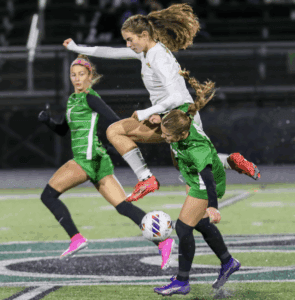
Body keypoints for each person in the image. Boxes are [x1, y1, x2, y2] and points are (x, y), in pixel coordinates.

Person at [63, 3, 260, 201]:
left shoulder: (158, 58)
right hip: (174, 116)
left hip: (178, 117)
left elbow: (175, 97)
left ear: (144, 35)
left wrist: (146, 112)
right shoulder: (147, 51)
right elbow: (111, 52)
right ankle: (231, 161)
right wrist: (76, 48)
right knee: (185, 162)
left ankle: (147, 178)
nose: (128, 45)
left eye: (130, 40)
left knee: (115, 131)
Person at [38, 54, 174, 267]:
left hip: (87, 159)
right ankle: (163, 242)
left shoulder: (91, 98)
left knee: (48, 196)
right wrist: (49, 122)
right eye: (73, 75)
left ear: (90, 76)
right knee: (123, 207)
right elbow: (64, 129)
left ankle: (76, 238)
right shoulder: (73, 100)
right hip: (99, 159)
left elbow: (114, 122)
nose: (77, 78)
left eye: (81, 74)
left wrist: (134, 130)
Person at [154, 78, 241, 296]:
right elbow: (181, 107)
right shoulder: (180, 118)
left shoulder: (196, 149)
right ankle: (228, 262)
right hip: (195, 178)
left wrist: (213, 206)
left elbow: (208, 179)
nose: (163, 137)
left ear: (182, 135)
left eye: (167, 135)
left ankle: (182, 281)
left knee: (183, 228)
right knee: (200, 224)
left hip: (206, 182)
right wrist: (159, 118)